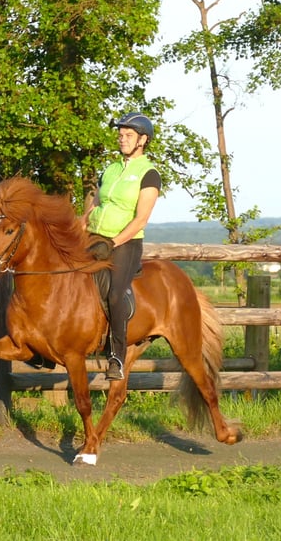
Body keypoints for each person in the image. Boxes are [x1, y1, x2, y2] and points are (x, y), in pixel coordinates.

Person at [83, 112, 161, 380]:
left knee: (115, 294)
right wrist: (80, 226)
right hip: (95, 237)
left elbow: (141, 218)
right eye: (120, 134)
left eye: (128, 134)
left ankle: (116, 356)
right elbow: (95, 204)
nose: (122, 138)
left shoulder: (149, 174)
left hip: (125, 244)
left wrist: (114, 241)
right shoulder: (111, 169)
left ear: (143, 140)